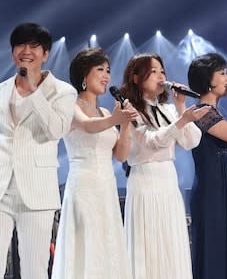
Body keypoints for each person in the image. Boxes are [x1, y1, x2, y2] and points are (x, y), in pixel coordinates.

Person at [121, 53, 209, 279]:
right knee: (149, 244)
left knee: (171, 242)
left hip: (168, 181)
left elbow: (191, 141)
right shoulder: (130, 109)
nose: (161, 76)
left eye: (162, 71)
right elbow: (151, 141)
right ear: (136, 77)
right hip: (144, 179)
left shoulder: (169, 110)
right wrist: (181, 121)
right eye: (154, 72)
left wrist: (181, 107)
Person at [51, 48, 138, 278]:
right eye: (99, 69)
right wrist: (115, 119)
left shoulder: (103, 111)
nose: (106, 75)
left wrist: (126, 124)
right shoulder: (71, 106)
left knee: (107, 246)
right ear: (83, 75)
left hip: (106, 187)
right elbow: (88, 126)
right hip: (84, 186)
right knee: (86, 247)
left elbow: (120, 155)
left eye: (108, 70)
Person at [0, 23, 77, 278]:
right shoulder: (1, 90)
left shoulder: (63, 92)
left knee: (34, 269)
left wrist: (34, 92)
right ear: (13, 52)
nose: (26, 51)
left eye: (34, 46)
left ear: (45, 54)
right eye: (20, 45)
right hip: (1, 188)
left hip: (36, 191)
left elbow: (57, 130)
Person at [187, 52, 227, 279]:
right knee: (213, 246)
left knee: (226, 243)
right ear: (208, 81)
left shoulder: (214, 111)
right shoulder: (201, 112)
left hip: (223, 186)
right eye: (222, 73)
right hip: (210, 190)